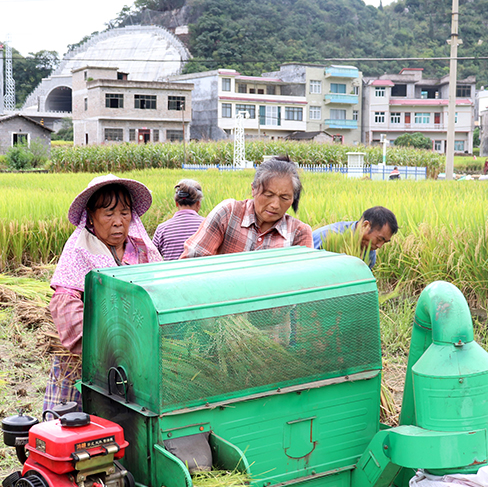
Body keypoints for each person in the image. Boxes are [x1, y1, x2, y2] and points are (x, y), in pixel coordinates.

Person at [45, 174, 163, 413]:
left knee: (128, 422)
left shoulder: (141, 250)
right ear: (91, 215)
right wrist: (112, 345)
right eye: (109, 214)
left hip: (138, 364)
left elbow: (160, 292)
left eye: (124, 213)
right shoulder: (80, 251)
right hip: (88, 363)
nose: (118, 222)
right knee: (77, 424)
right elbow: (65, 307)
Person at [181, 156, 313, 258]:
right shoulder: (228, 214)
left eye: (284, 198)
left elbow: (305, 278)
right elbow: (193, 260)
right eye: (268, 194)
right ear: (253, 189)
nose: (275, 205)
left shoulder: (299, 233)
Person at [312, 206, 398, 269]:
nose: (379, 246)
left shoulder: (369, 252)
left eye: (384, 242)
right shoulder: (328, 237)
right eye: (379, 239)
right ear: (365, 226)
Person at [152, 179, 205, 260]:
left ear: (176, 203)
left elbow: (151, 257)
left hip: (172, 269)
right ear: (198, 203)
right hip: (199, 268)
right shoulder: (206, 226)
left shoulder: (162, 229)